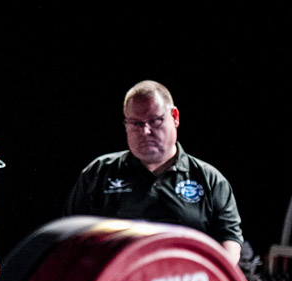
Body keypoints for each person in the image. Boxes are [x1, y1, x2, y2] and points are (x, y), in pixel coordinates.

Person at [64, 80, 243, 263]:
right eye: (136, 123)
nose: (146, 131)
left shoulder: (210, 180)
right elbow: (69, 235)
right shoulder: (99, 173)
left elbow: (229, 241)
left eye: (154, 121)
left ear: (174, 117)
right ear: (126, 124)